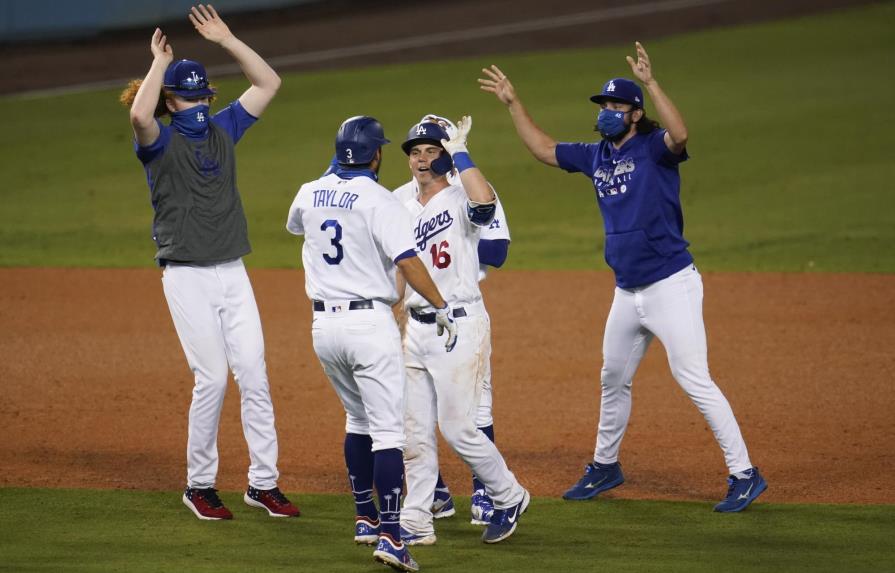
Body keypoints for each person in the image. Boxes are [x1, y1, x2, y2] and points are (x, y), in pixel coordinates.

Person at [478, 42, 767, 512]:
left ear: (635, 114)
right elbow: (544, 149)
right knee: (613, 377)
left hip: (671, 284)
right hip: (626, 292)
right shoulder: (597, 156)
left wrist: (651, 84)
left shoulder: (655, 149)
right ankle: (605, 465)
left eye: (616, 106)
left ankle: (745, 474)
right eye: (604, 106)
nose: (608, 112)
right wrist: (514, 104)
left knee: (693, 378)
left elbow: (680, 133)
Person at [120, 5, 299, 520]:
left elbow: (268, 83)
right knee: (214, 379)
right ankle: (199, 485)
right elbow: (138, 116)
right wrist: (159, 64)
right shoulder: (159, 141)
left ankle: (263, 484)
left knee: (255, 377)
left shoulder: (225, 128)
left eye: (203, 95)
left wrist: (228, 40)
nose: (198, 104)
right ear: (171, 101)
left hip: (232, 272)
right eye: (189, 96)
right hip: (186, 276)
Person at [286, 115, 458, 573]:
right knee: (388, 433)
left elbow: (296, 226)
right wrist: (440, 304)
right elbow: (408, 261)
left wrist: (332, 176)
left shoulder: (308, 191)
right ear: (377, 154)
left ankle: (365, 516)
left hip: (324, 331)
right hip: (369, 327)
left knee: (356, 419)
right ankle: (392, 536)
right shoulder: (382, 201)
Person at [395, 116, 529, 546]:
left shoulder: (461, 195)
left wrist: (462, 153)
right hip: (415, 327)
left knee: (457, 428)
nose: (420, 159)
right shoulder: (398, 201)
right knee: (414, 431)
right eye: (415, 152)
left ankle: (508, 495)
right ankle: (416, 521)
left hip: (458, 323)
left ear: (446, 156)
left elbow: (486, 206)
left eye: (431, 151)